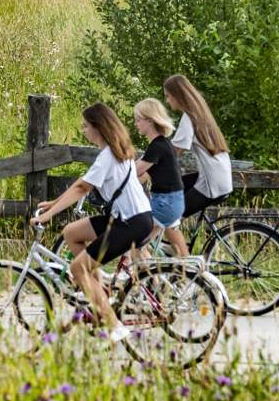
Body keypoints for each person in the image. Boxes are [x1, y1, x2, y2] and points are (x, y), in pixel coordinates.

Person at [30, 102, 152, 342]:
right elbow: (84, 183)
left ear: (99, 127)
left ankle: (114, 326)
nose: (84, 130)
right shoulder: (116, 151)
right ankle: (99, 292)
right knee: (71, 233)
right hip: (129, 217)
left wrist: (47, 216)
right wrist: (54, 203)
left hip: (131, 222)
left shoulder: (108, 156)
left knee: (77, 268)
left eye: (86, 126)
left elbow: (82, 187)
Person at [161, 74, 232, 256]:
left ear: (178, 95)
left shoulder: (189, 118)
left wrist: (149, 169)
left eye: (168, 96)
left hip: (211, 182)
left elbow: (174, 151)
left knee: (168, 217)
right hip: (217, 177)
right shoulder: (199, 112)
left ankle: (188, 270)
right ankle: (174, 252)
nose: (167, 101)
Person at [133, 98, 185, 245]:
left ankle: (136, 267)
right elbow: (138, 170)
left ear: (150, 120)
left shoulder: (158, 146)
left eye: (138, 120)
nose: (136, 124)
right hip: (168, 201)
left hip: (166, 203)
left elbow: (135, 171)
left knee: (133, 239)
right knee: (140, 244)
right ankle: (144, 268)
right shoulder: (161, 144)